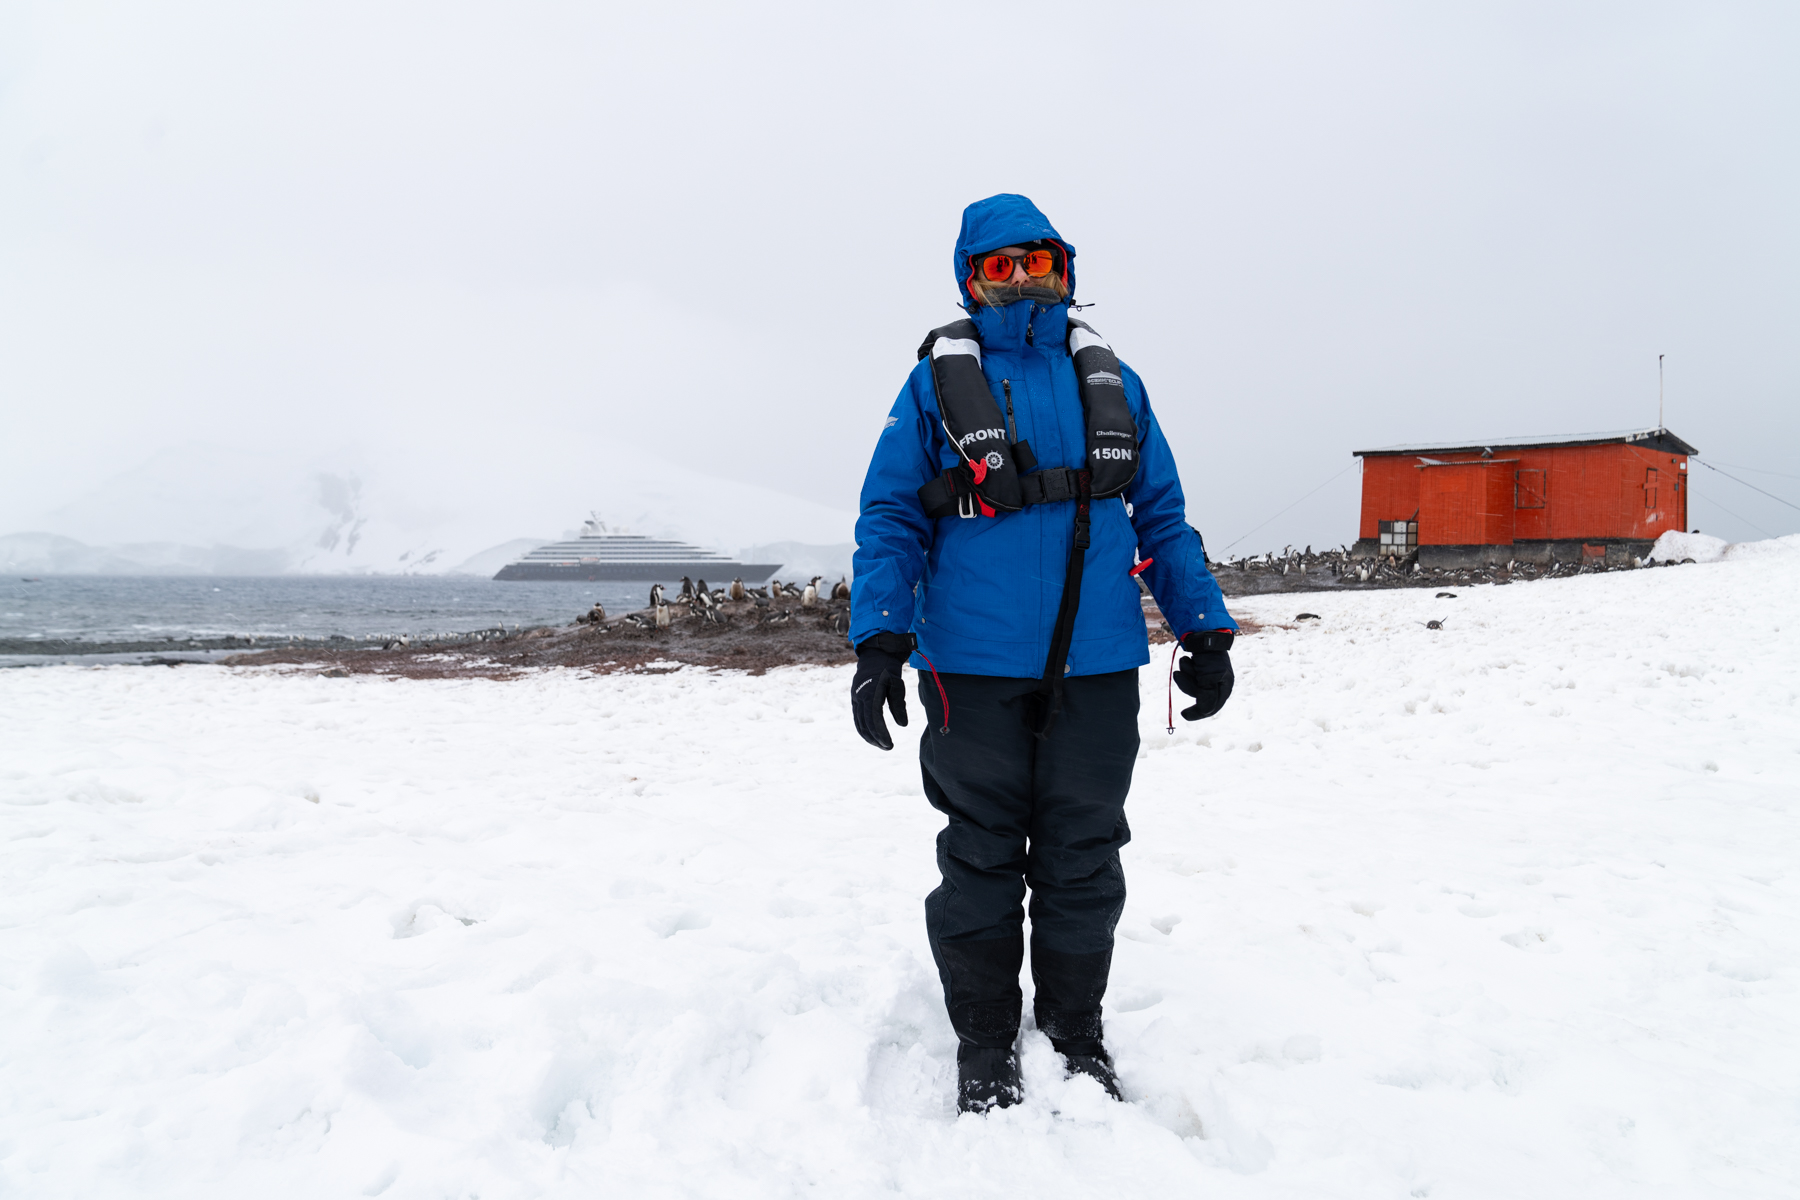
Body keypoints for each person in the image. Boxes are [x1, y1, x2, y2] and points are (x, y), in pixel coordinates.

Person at [849, 194, 1239, 1114]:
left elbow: (1163, 519)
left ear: (1065, 268)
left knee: (1084, 857)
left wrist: (1205, 628)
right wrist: (877, 640)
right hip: (969, 672)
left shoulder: (1116, 383)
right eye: (1001, 267)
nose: (1024, 280)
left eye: (1040, 262)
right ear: (970, 281)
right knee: (980, 859)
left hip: (1100, 667)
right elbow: (892, 517)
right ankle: (985, 1040)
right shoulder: (932, 391)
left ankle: (1076, 1028)